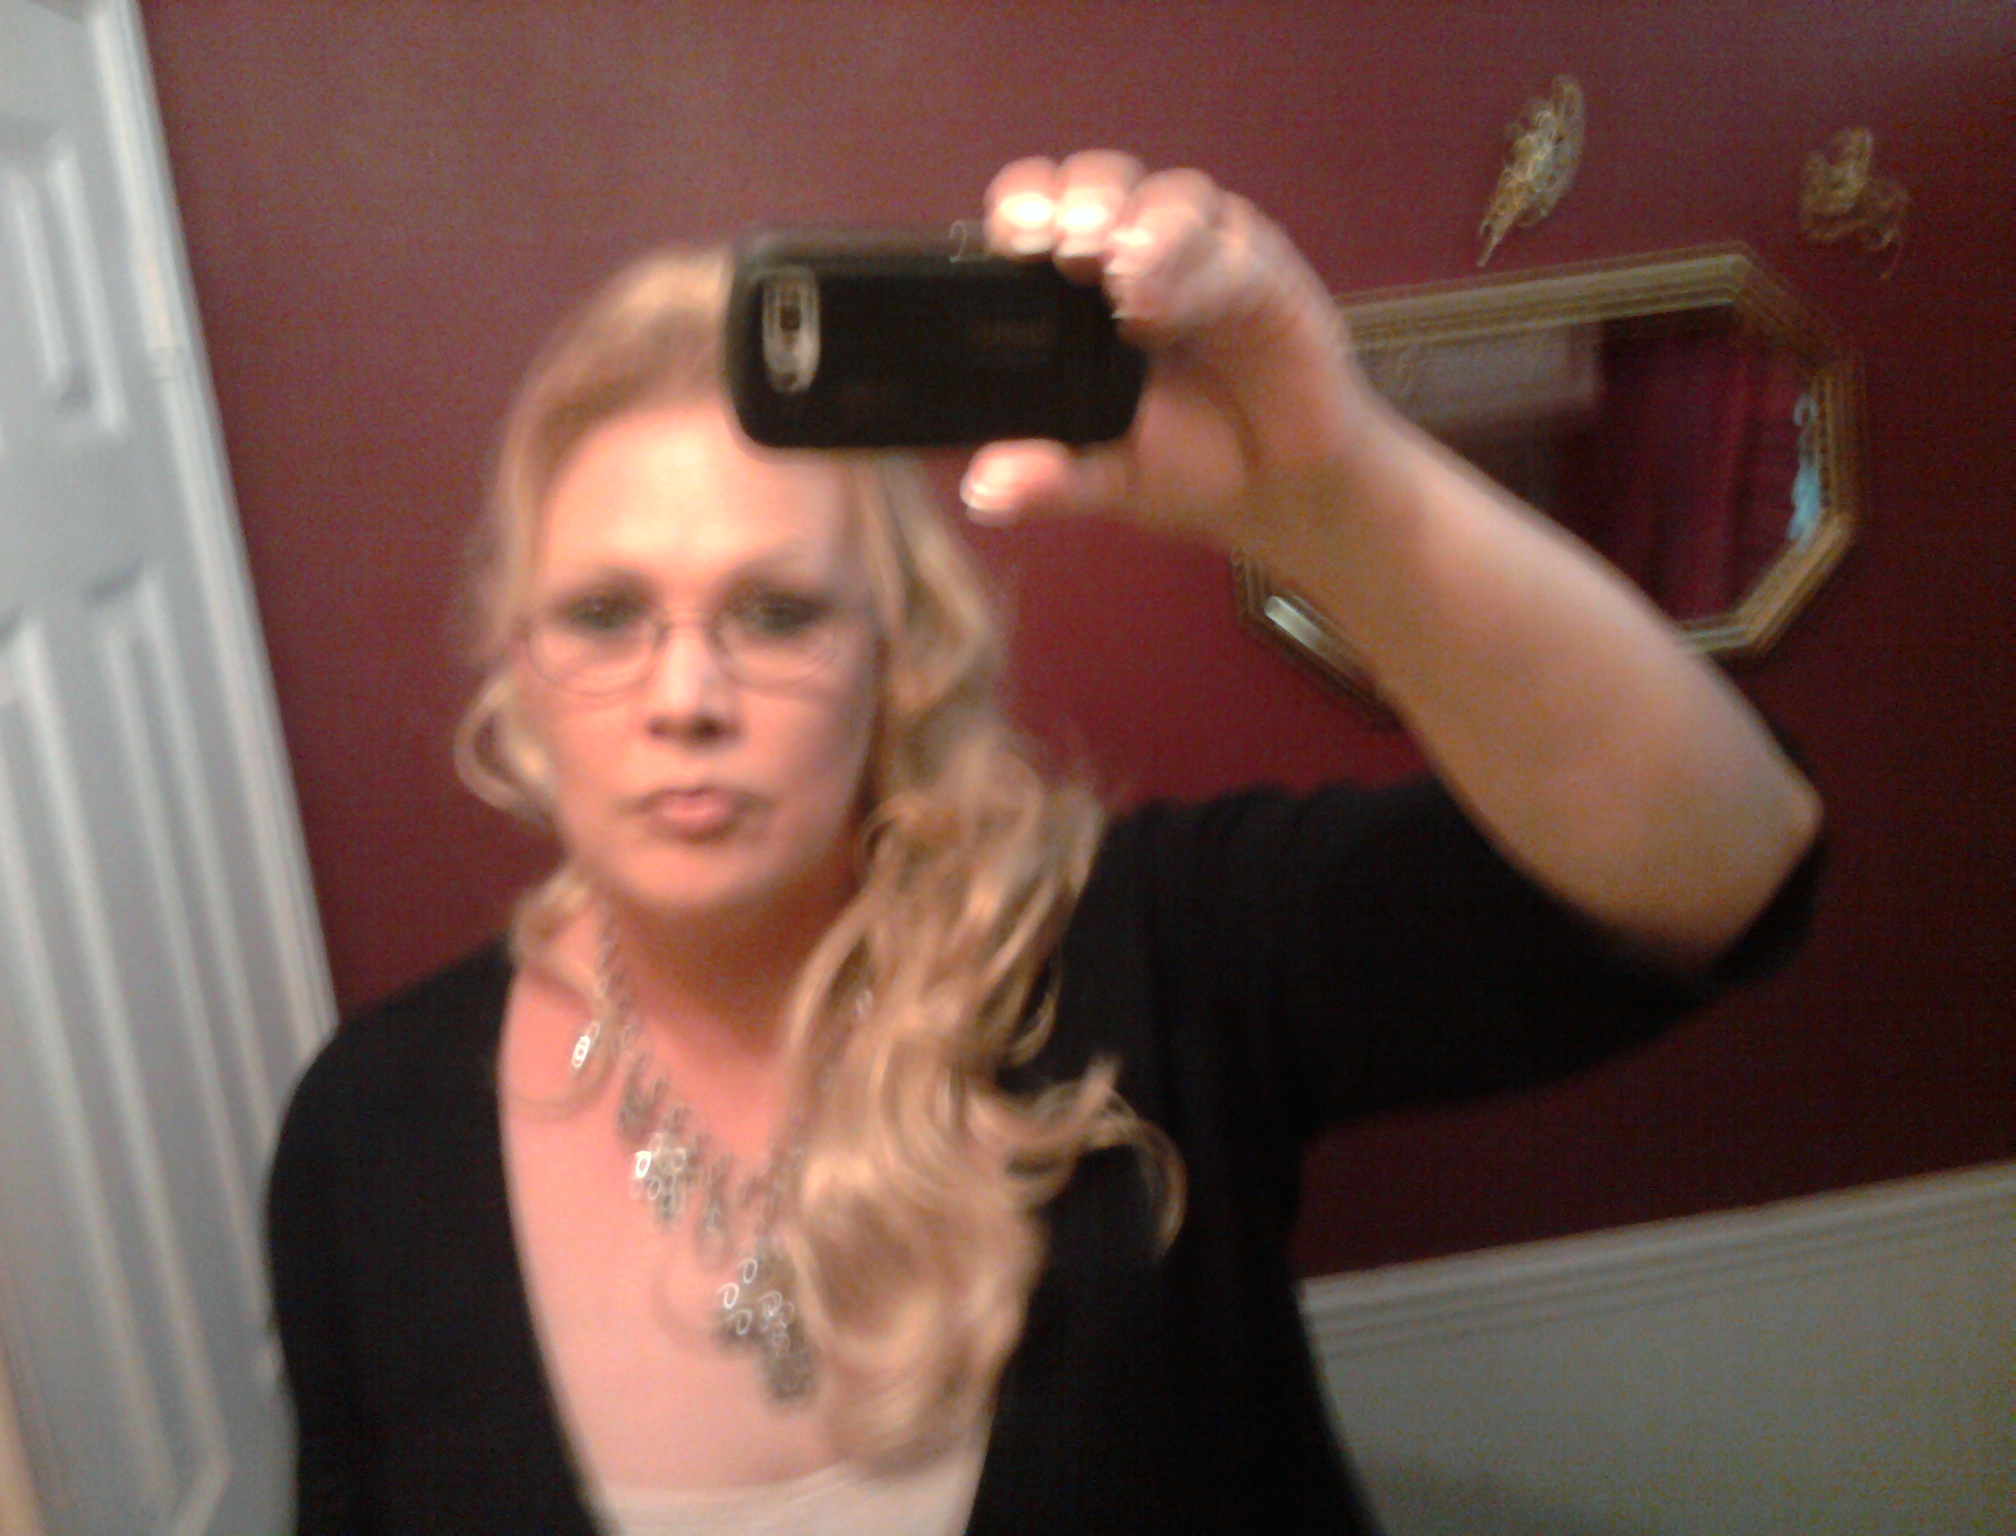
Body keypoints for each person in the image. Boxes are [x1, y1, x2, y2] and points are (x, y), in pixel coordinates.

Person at [266, 151, 1823, 1535]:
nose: (686, 697)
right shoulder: (367, 1131)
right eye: (607, 615)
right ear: (521, 668)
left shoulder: (1154, 953)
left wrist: (1332, 489)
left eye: (779, 612)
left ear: (895, 659)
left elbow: (1725, 862)